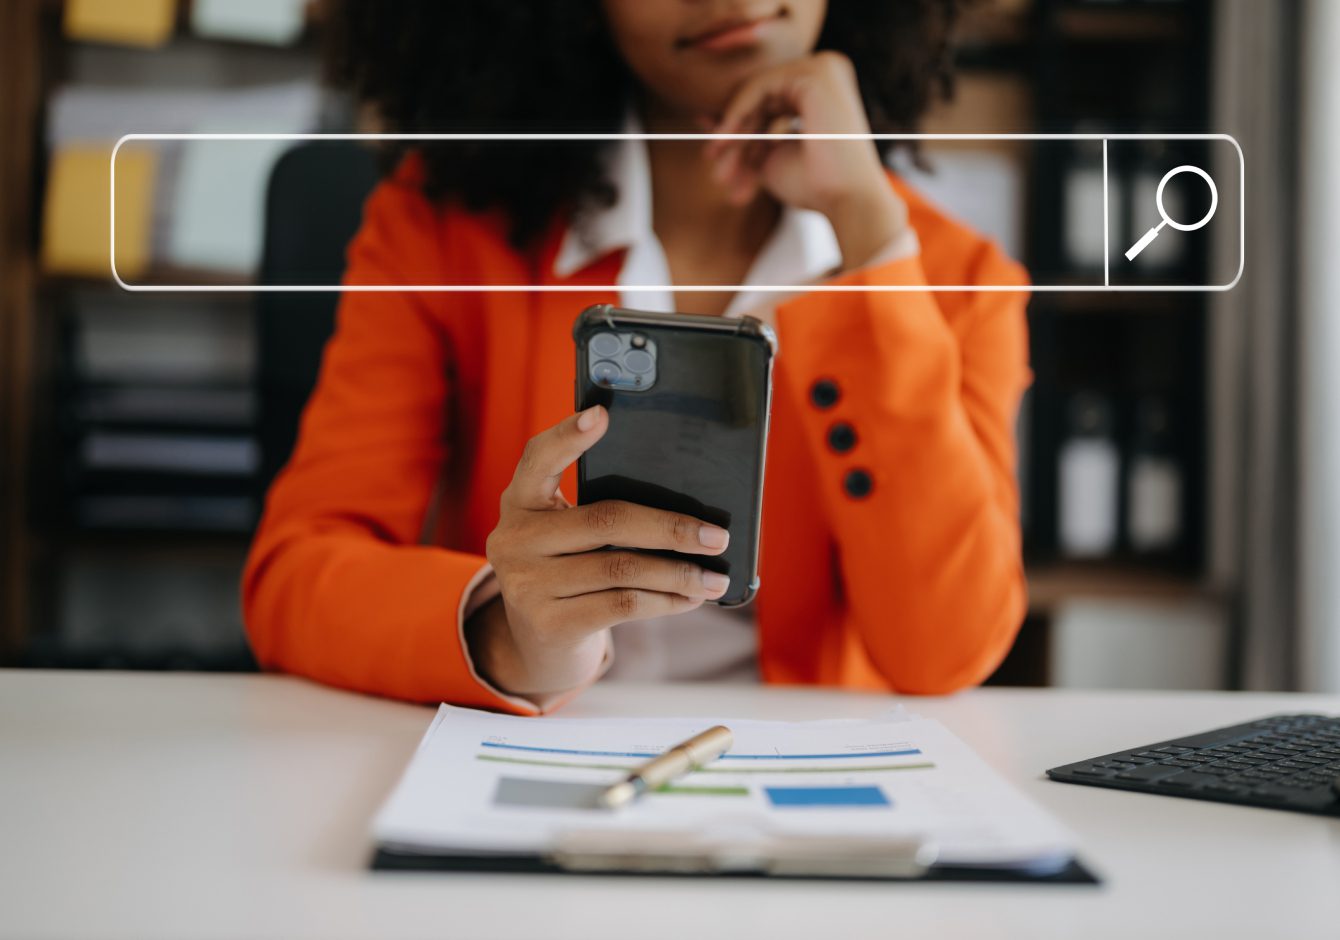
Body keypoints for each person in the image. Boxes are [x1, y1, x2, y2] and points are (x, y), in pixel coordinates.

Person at [243, 0, 1031, 713]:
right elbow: (295, 576)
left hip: (789, 787)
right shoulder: (438, 229)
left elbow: (946, 650)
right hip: (522, 756)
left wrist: (867, 228)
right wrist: (506, 631)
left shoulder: (950, 278)